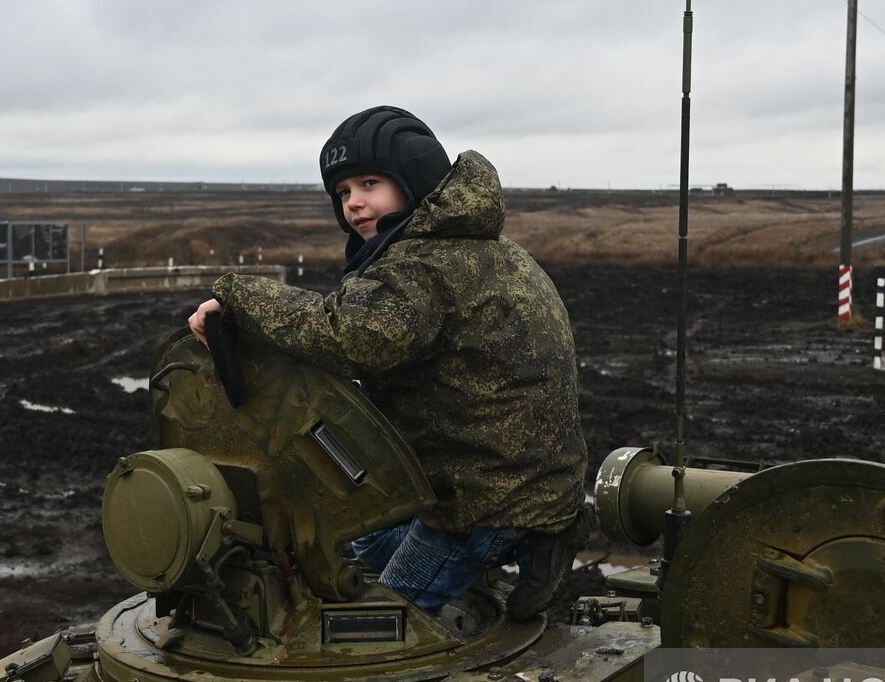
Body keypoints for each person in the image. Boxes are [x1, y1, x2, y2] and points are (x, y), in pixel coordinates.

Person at [188, 106, 588, 619]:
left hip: (478, 499)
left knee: (383, 619)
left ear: (414, 182)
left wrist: (240, 297)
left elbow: (355, 336)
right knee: (367, 541)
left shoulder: (425, 265)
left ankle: (525, 535)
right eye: (343, 192)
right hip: (509, 471)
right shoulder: (473, 247)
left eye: (370, 183)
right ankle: (538, 531)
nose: (354, 203)